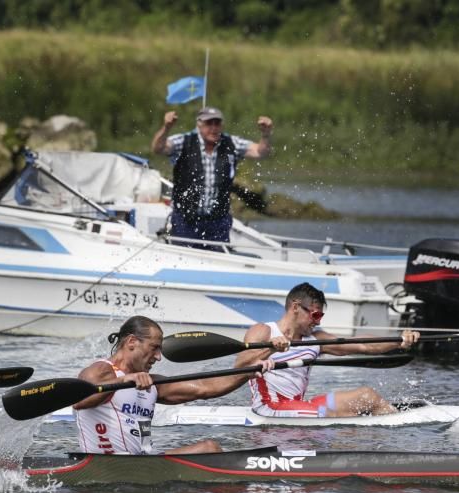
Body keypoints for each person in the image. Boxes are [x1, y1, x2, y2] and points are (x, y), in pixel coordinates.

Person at [73, 316, 279, 455]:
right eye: (154, 348)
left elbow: (206, 388)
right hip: (104, 465)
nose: (158, 357)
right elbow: (78, 401)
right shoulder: (101, 371)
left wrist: (249, 372)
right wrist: (122, 382)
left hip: (140, 463)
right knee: (210, 449)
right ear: (132, 342)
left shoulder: (152, 384)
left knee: (209, 449)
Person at [234, 282, 420, 418]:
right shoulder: (263, 331)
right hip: (270, 407)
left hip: (299, 406)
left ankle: (399, 427)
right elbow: (241, 366)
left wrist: (399, 341)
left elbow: (364, 345)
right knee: (334, 415)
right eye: (315, 314)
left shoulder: (317, 339)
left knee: (367, 396)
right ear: (296, 307)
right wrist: (270, 349)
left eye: (321, 315)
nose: (318, 321)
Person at [151, 106, 272, 248]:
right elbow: (158, 148)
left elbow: (260, 152)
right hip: (186, 220)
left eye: (217, 123)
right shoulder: (184, 141)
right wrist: (166, 128)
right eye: (209, 123)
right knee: (186, 260)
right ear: (199, 124)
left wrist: (266, 134)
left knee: (217, 261)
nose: (214, 128)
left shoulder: (231, 143)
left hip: (218, 221)